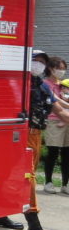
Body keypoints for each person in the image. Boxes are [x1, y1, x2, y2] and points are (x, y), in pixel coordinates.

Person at [0, 49, 57, 230]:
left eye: (42, 61)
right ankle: (34, 226)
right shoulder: (16, 85)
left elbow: (58, 108)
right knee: (29, 178)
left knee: (6, 173)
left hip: (35, 135)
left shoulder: (42, 86)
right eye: (35, 60)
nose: (39, 64)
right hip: (19, 136)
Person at [43, 56, 69, 194]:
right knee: (53, 152)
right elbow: (56, 100)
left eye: (63, 68)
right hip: (54, 120)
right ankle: (48, 182)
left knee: (67, 153)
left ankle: (65, 184)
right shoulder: (45, 84)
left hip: (67, 120)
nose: (61, 71)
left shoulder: (63, 84)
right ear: (50, 68)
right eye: (59, 68)